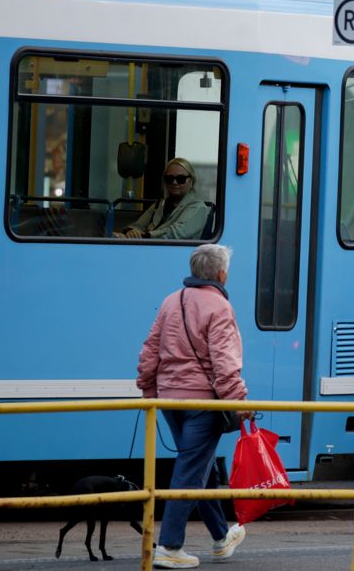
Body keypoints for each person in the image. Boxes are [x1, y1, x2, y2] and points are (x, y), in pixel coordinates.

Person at [136, 244, 251, 569]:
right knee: (191, 470)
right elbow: (224, 365)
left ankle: (220, 537)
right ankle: (170, 547)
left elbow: (150, 350)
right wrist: (241, 403)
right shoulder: (220, 307)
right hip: (203, 403)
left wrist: (148, 390)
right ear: (221, 274)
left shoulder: (171, 301)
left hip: (170, 399)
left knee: (202, 466)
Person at [115, 157, 208, 240]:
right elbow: (138, 225)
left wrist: (144, 236)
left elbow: (175, 233)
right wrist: (131, 232)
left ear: (191, 181)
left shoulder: (198, 207)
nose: (174, 183)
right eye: (169, 179)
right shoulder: (160, 204)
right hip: (151, 249)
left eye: (181, 179)